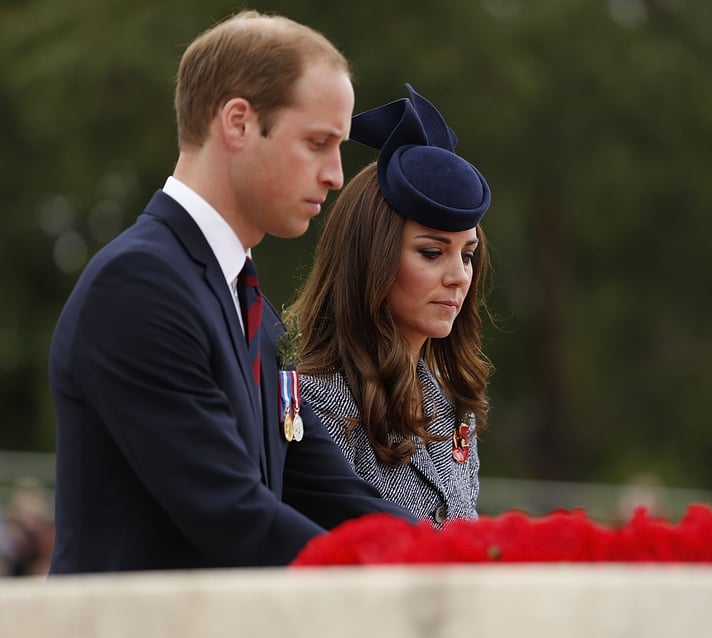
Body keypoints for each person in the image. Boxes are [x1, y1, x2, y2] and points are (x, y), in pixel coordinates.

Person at [47, 10, 414, 574]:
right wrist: (411, 585)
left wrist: (471, 560)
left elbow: (341, 501)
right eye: (318, 143)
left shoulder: (248, 306)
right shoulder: (138, 289)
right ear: (238, 122)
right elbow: (235, 517)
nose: (337, 175)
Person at [290, 84, 493, 527]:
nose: (459, 275)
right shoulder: (314, 403)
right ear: (372, 257)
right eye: (431, 252)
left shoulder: (451, 402)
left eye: (468, 253)